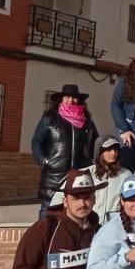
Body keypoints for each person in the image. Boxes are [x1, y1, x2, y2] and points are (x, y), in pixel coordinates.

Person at [30, 85, 99, 215]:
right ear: (61, 99)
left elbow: (95, 145)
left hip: (79, 176)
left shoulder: (88, 123)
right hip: (54, 176)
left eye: (74, 97)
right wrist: (44, 161)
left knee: (76, 212)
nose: (70, 100)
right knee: (48, 211)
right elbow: (36, 142)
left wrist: (92, 163)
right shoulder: (49, 119)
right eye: (67, 97)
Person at [91, 137, 128, 218]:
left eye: (116, 150)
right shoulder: (87, 173)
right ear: (99, 152)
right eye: (108, 150)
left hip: (115, 222)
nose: (113, 153)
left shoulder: (126, 175)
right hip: (91, 223)